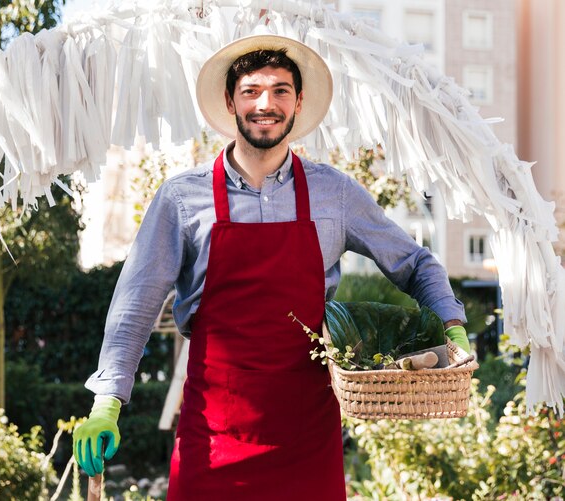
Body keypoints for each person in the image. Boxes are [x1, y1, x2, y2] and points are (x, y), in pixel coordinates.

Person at [73, 34, 469, 501]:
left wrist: (452, 325)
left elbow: (415, 262)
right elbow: (134, 308)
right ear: (230, 101)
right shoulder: (182, 198)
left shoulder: (335, 194)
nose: (267, 103)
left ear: (299, 102)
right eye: (252, 91)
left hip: (307, 439)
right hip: (212, 439)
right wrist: (107, 403)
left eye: (281, 90)